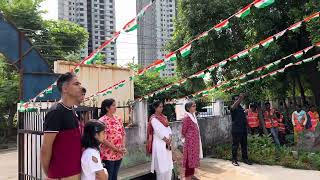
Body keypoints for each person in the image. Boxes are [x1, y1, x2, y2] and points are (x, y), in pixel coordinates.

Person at [41, 72, 83, 180]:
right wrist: (51, 174)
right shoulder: (56, 112)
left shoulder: (72, 110)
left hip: (75, 172)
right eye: (76, 84)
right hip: (61, 175)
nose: (80, 87)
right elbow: (46, 148)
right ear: (65, 89)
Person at [99, 98, 126, 180]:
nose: (115, 107)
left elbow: (123, 133)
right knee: (108, 177)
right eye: (113, 105)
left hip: (119, 154)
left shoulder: (118, 118)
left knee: (115, 176)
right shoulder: (102, 121)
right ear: (107, 108)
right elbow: (103, 139)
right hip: (108, 154)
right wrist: (116, 149)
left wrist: (123, 147)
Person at [147, 100, 173, 180]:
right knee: (161, 167)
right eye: (160, 107)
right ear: (155, 108)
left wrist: (170, 138)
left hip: (167, 144)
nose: (161, 108)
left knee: (168, 165)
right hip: (159, 144)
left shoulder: (164, 117)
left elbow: (169, 129)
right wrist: (166, 140)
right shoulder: (153, 119)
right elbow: (158, 131)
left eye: (162, 107)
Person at [182, 100, 203, 180]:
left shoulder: (193, 115)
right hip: (190, 142)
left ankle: (192, 174)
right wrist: (189, 138)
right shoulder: (186, 117)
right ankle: (187, 177)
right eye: (193, 106)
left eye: (195, 106)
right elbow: (183, 130)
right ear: (188, 108)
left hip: (195, 142)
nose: (195, 107)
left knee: (193, 158)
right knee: (189, 159)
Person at [230, 93, 252, 166]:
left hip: (243, 129)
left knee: (244, 145)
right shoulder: (232, 107)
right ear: (233, 101)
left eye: (238, 99)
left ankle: (245, 158)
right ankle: (234, 160)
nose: (238, 100)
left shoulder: (241, 108)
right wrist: (240, 98)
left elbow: (244, 118)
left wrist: (247, 127)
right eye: (236, 99)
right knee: (235, 145)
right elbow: (233, 107)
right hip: (236, 129)